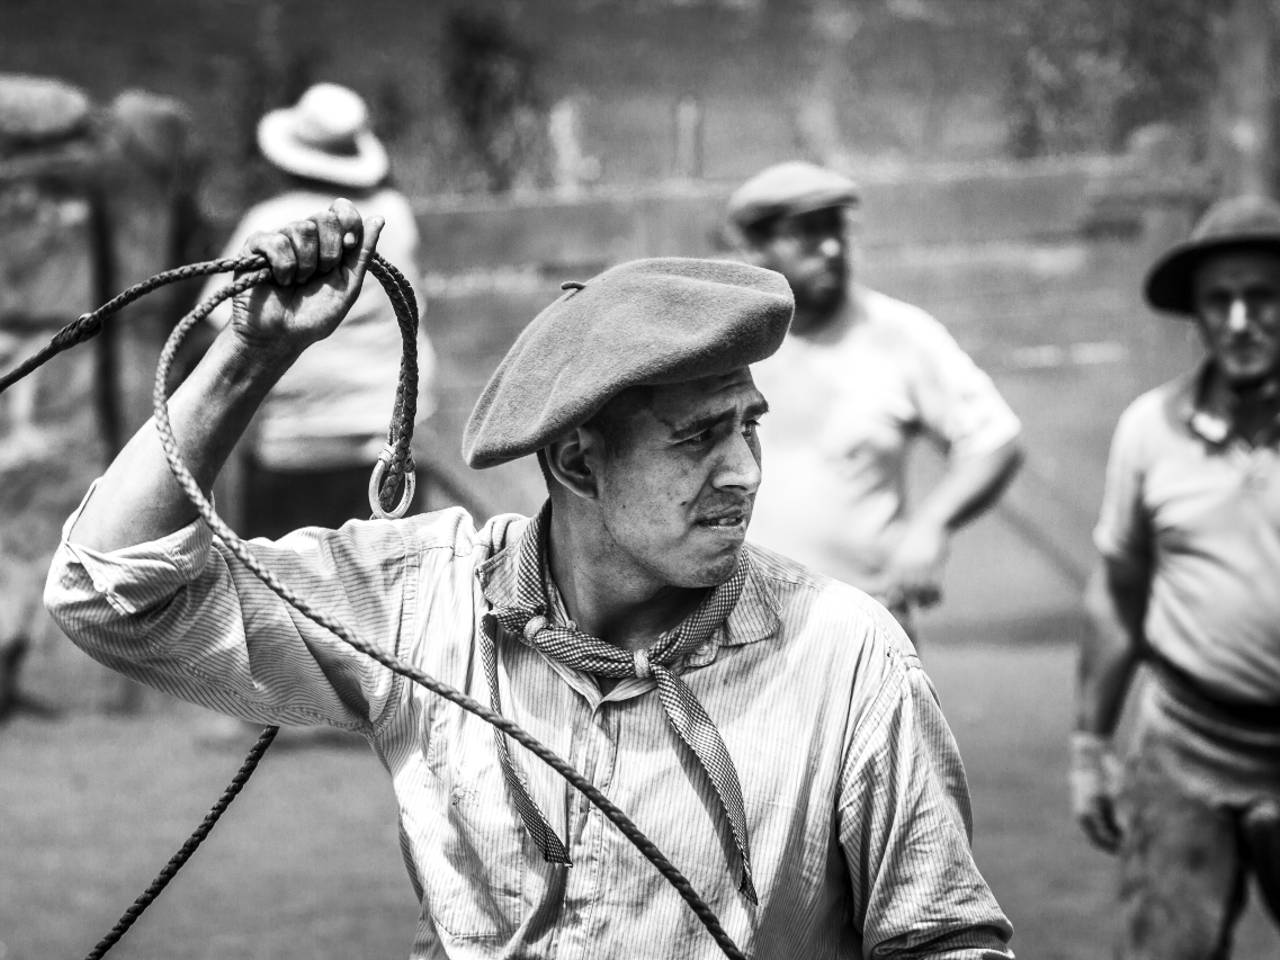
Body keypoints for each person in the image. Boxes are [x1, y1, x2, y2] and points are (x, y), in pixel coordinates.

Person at [45, 199, 1014, 958]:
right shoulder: (425, 603)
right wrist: (246, 357)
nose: (743, 474)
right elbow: (111, 597)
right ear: (578, 462)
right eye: (697, 438)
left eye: (748, 424)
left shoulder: (843, 653)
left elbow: (941, 937)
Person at [1073, 194, 1280, 959]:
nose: (1238, 320)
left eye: (1261, 297)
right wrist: (1090, 748)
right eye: (1217, 300)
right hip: (1184, 751)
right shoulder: (1149, 430)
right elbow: (1119, 592)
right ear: (1194, 315)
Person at [727, 161, 1023, 633]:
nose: (832, 248)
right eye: (807, 234)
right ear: (754, 247)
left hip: (864, 631)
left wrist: (932, 526)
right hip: (734, 630)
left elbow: (995, 441)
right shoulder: (725, 343)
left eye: (838, 230)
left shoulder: (899, 335)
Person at [196, 81, 437, 536]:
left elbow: (219, 321)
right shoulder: (393, 216)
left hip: (294, 443)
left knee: (284, 593)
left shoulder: (272, 225)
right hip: (385, 438)